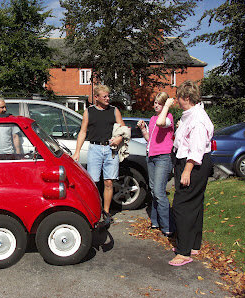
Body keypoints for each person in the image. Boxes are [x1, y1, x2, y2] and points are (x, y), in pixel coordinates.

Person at [168, 80, 214, 267]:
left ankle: (184, 252)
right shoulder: (191, 115)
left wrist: (187, 170)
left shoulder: (198, 120)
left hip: (193, 165)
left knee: (181, 206)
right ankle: (193, 245)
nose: (177, 100)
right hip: (188, 163)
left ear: (186, 98)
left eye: (179, 97)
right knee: (194, 203)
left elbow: (196, 150)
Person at [72, 85, 125, 216]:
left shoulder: (114, 110)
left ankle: (106, 212)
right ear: (96, 97)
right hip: (94, 149)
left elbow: (124, 129)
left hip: (111, 149)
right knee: (93, 182)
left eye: (108, 96)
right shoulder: (89, 111)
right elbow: (83, 132)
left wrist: (119, 138)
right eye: (104, 96)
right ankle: (94, 210)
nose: (108, 99)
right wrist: (77, 152)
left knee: (108, 182)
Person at [137, 92, 174, 237]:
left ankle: (168, 226)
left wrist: (168, 106)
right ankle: (156, 221)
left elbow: (161, 123)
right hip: (151, 157)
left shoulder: (168, 118)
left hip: (163, 158)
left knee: (159, 192)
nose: (156, 105)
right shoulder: (152, 119)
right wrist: (143, 129)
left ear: (165, 105)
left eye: (159, 103)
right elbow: (149, 139)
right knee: (153, 191)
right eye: (155, 103)